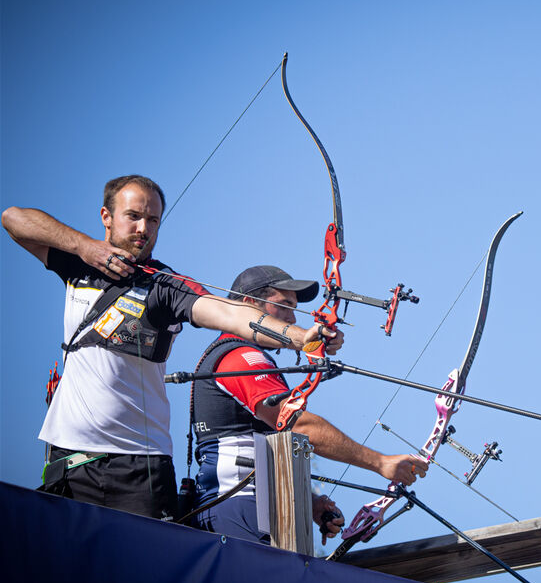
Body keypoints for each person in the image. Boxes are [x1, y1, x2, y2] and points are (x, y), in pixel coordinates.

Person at [2, 175, 343, 520]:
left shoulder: (164, 286)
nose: (143, 228)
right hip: (71, 458)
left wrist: (301, 337)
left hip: (140, 466)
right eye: (133, 216)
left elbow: (230, 314)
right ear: (106, 216)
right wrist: (83, 247)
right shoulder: (78, 264)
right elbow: (13, 219)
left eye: (152, 220)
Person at [190, 264, 426, 545]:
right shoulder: (239, 356)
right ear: (248, 306)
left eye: (294, 308)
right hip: (238, 507)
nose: (292, 317)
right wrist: (380, 462)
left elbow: (269, 443)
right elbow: (296, 423)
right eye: (284, 305)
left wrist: (310, 501)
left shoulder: (243, 355)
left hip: (260, 507)